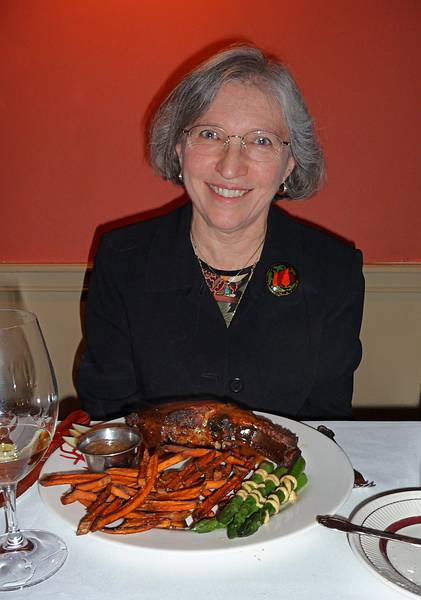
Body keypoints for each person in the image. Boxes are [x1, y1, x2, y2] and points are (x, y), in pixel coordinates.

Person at [77, 45, 364, 421]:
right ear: (180, 148)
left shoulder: (334, 270)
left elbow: (326, 421)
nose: (230, 167)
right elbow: (110, 417)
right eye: (210, 135)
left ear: (289, 163)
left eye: (261, 140)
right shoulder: (122, 260)